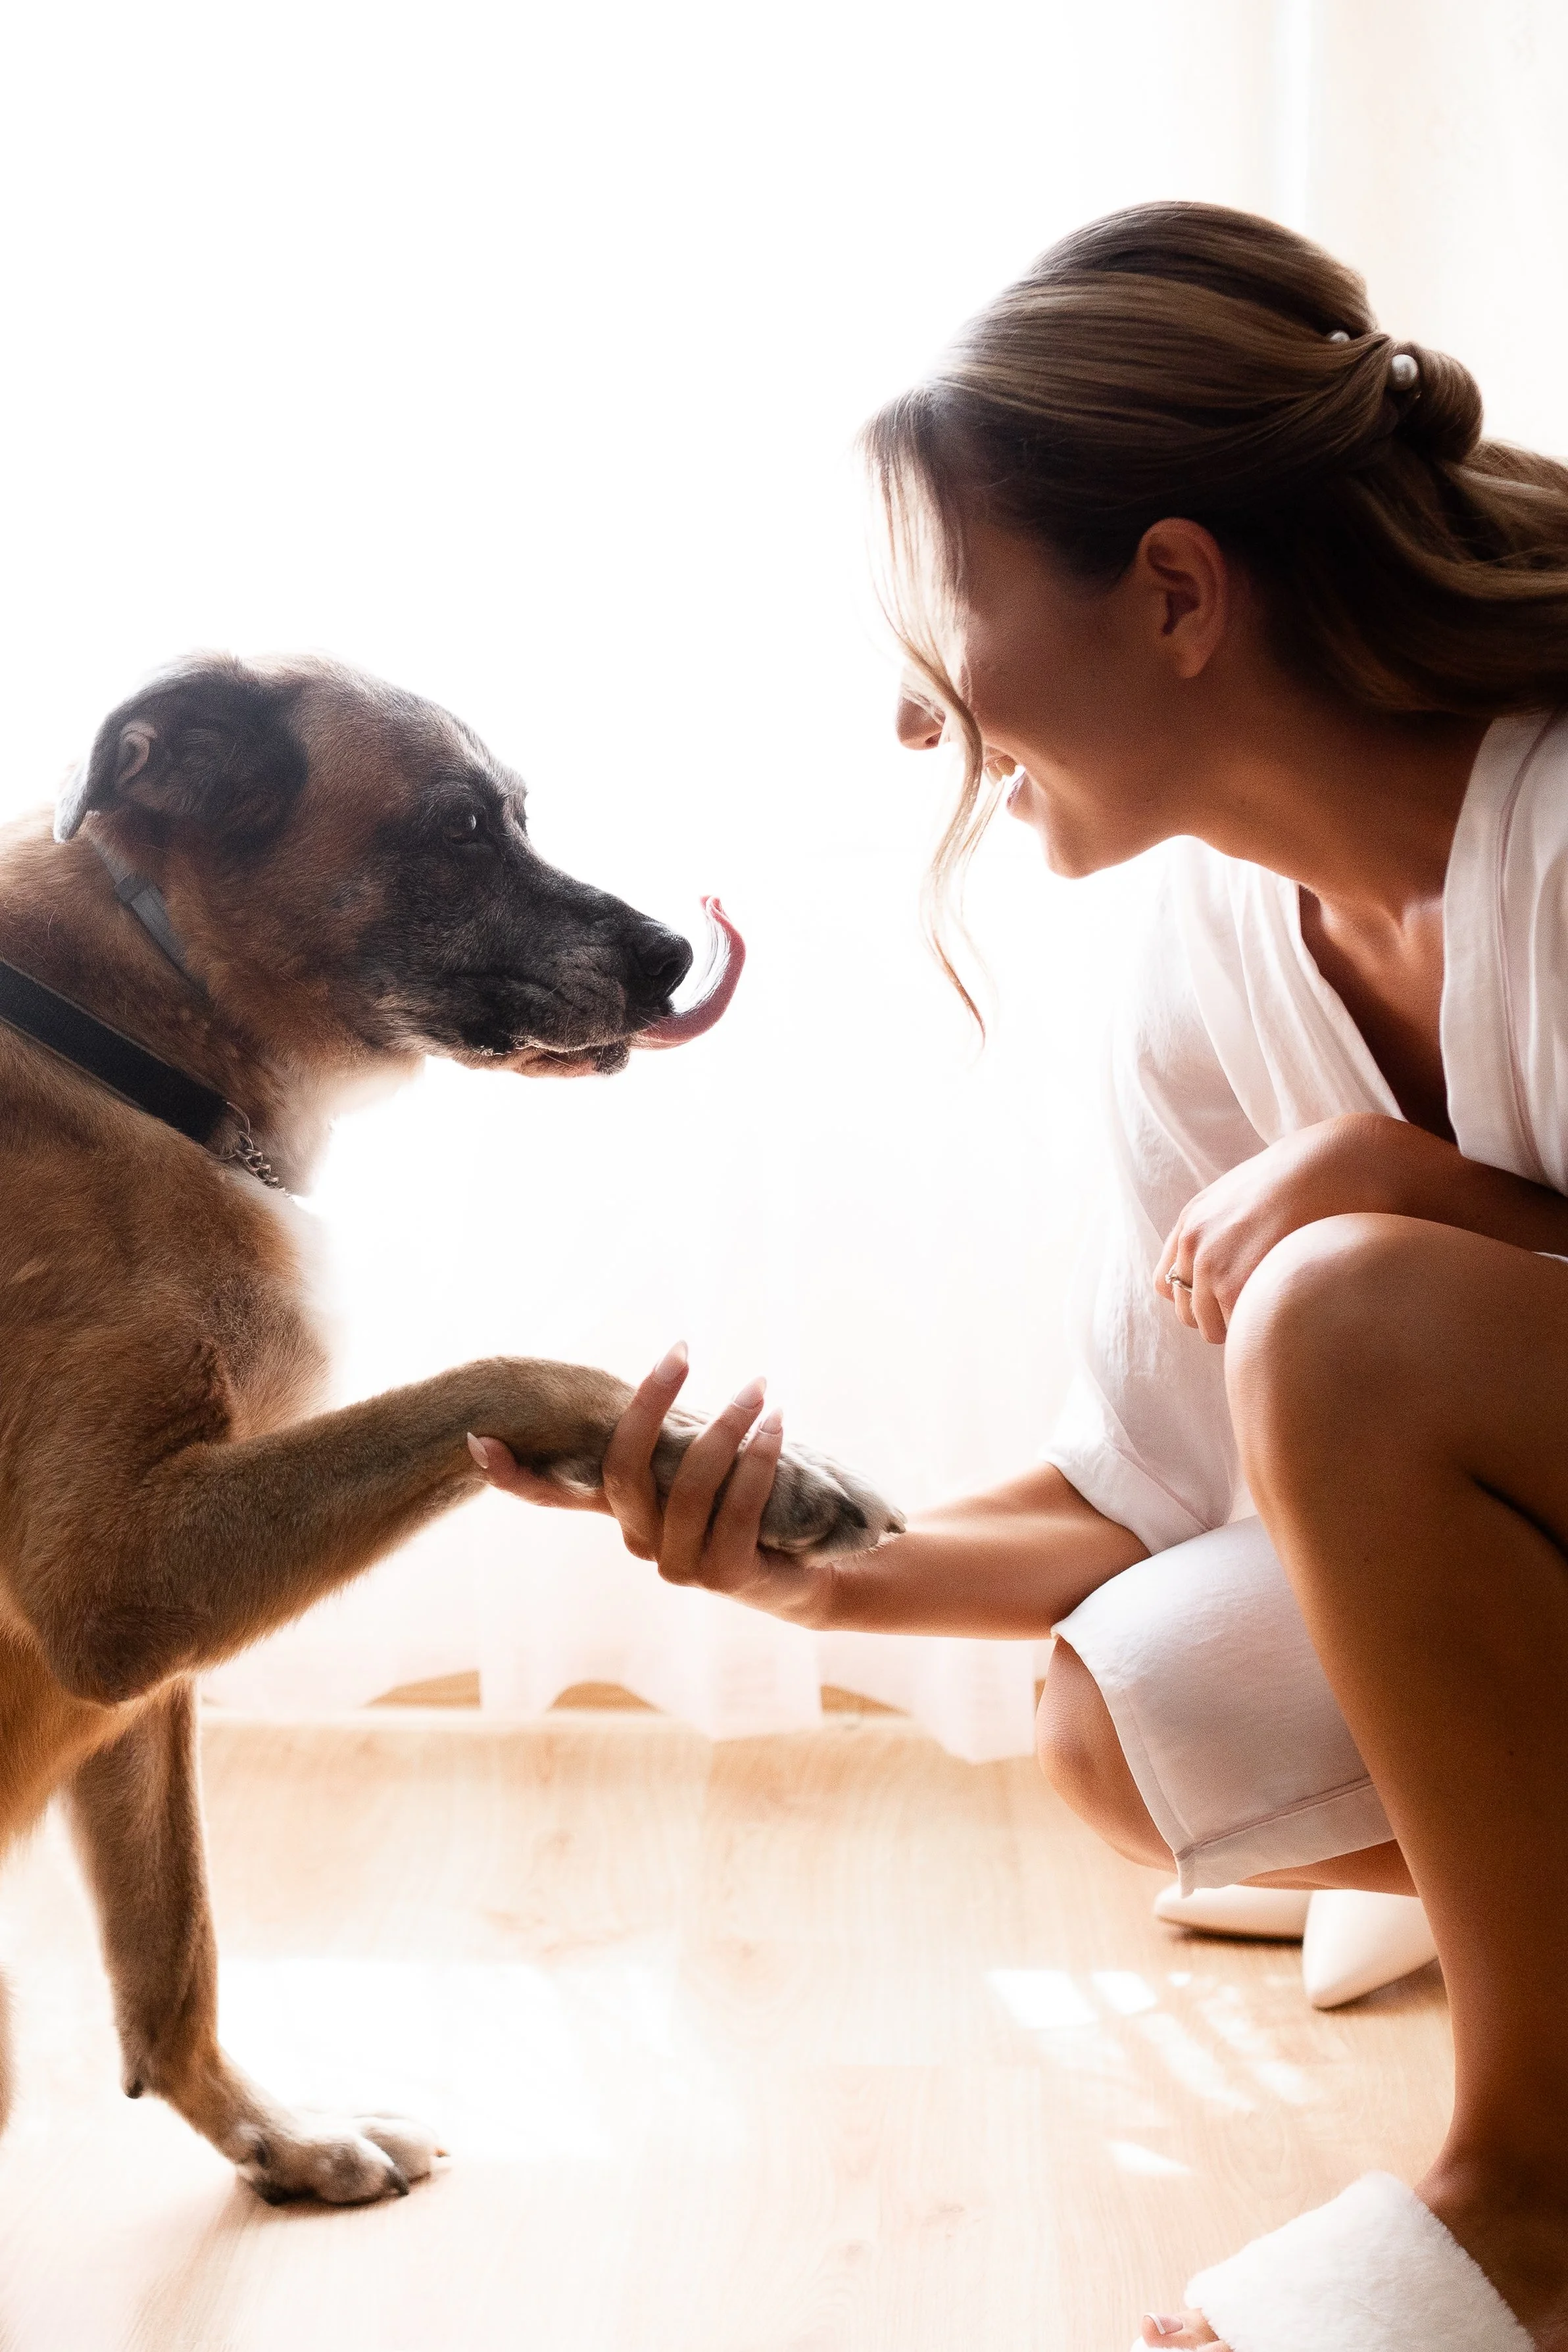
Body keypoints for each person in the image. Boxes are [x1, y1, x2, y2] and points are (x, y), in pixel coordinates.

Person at [470, 203, 1568, 2347]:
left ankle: (1533, 2190)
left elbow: (1361, 1339)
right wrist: (797, 1568)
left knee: (1335, 1304)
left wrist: (1400, 1189)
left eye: (944, 629)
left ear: (1173, 593)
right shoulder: (1215, 947)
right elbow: (1143, 1505)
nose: (913, 725)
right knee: (1127, 1714)